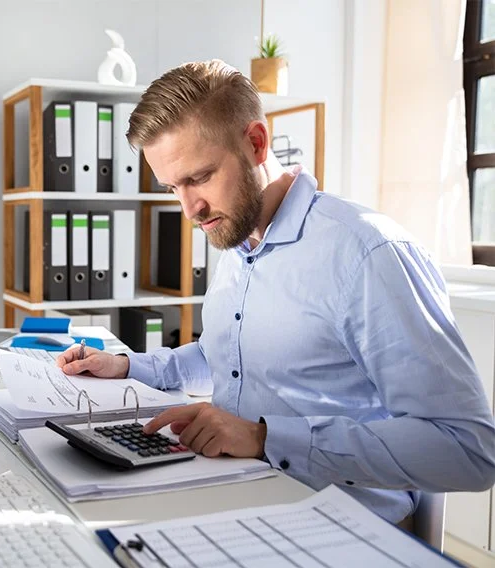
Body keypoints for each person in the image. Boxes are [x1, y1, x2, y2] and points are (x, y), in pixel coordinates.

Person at [57, 59, 495, 525]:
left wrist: (266, 438)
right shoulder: (238, 238)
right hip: (235, 490)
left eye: (200, 177)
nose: (189, 209)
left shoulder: (368, 254)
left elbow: (467, 448)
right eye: (172, 187)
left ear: (256, 143)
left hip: (336, 523)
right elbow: (223, 356)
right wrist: (126, 366)